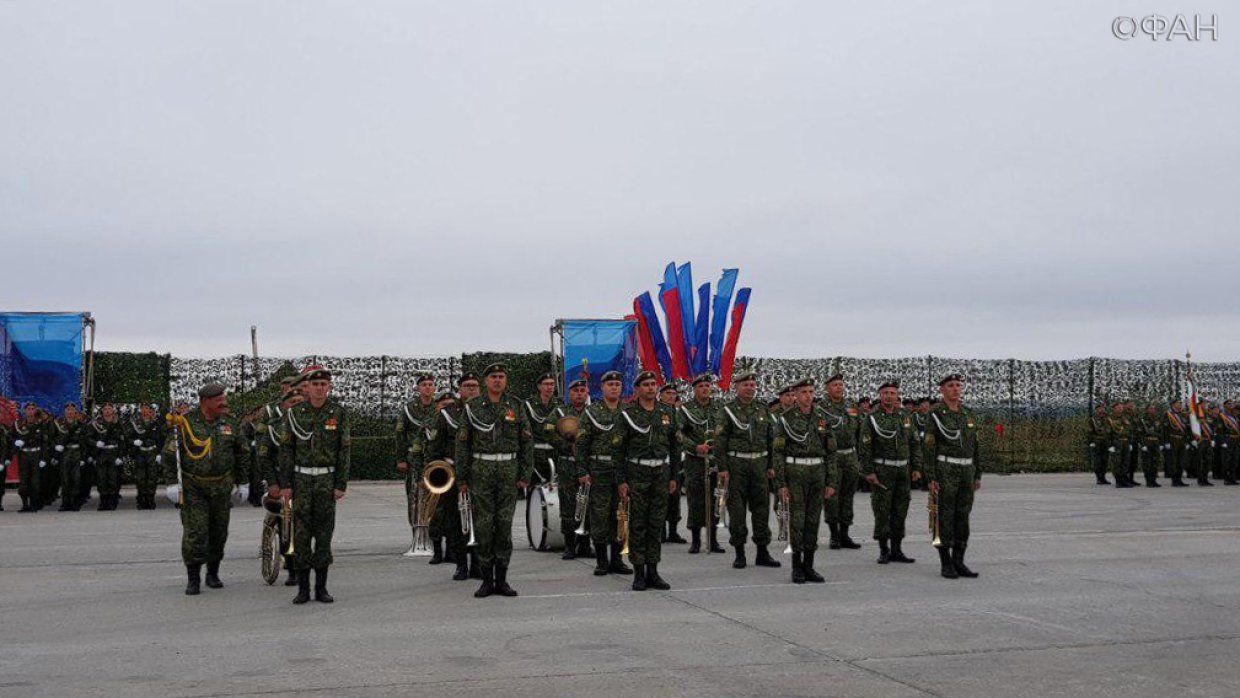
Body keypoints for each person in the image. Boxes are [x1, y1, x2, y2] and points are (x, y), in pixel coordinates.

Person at [164, 383, 251, 595]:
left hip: (221, 487)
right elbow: (170, 454)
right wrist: (172, 483)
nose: (224, 402)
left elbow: (243, 453)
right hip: (195, 487)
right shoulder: (186, 423)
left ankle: (213, 573)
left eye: (223, 397)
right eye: (219, 399)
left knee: (219, 532)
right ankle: (193, 577)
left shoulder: (229, 422)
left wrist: (244, 482)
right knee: (196, 532)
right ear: (205, 402)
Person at [455, 363, 533, 598]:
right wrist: (462, 478)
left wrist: (525, 474)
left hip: (509, 469)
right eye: (493, 377)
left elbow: (527, 441)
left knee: (504, 526)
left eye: (501, 376)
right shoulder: (473, 407)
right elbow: (462, 444)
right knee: (484, 526)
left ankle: (503, 579)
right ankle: (486, 580)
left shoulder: (516, 405)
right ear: (486, 381)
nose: (497, 380)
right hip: (481, 470)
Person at [277, 366, 351, 604]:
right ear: (308, 387)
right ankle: (303, 589)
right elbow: (286, 450)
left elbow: (344, 451)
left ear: (329, 387)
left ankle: (321, 588)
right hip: (301, 480)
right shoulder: (296, 413)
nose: (319, 388)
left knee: (324, 535)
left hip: (326, 481)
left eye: (323, 384)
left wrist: (341, 484)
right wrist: (286, 484)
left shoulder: (338, 413)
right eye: (315, 384)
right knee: (300, 535)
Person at [616, 371, 679, 591]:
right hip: (637, 473)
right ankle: (639, 573)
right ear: (637, 389)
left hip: (660, 473)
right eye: (646, 385)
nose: (651, 388)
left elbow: (674, 446)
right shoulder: (628, 414)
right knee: (638, 524)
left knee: (656, 524)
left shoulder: (667, 412)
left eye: (654, 384)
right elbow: (619, 450)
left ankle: (653, 570)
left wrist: (673, 476)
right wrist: (621, 480)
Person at [772, 378, 837, 584]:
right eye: (803, 392)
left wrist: (831, 481)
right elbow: (778, 453)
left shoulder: (822, 418)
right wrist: (781, 483)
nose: (808, 396)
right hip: (795, 472)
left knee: (813, 519)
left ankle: (809, 566)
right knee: (797, 520)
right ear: (796, 395)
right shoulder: (786, 419)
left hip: (817, 472)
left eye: (811, 391)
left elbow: (831, 451)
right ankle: (796, 566)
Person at [715, 371, 780, 570]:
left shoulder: (762, 409)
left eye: (752, 385)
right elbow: (720, 441)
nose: (750, 388)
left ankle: (762, 552)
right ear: (737, 387)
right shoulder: (727, 411)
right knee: (737, 510)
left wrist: (770, 465)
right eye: (746, 385)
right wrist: (723, 467)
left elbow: (771, 439)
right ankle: (740, 552)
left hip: (759, 464)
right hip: (736, 465)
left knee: (761, 509)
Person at [859, 381, 924, 565]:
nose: (889, 396)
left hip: (903, 470)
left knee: (900, 510)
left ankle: (897, 549)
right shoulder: (872, 418)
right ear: (880, 395)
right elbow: (864, 447)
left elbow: (914, 443)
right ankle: (883, 549)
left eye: (892, 393)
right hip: (882, 469)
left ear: (897, 395)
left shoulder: (904, 416)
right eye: (885, 393)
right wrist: (868, 471)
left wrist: (917, 467)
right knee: (882, 510)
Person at [575, 370, 631, 577]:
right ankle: (601, 561)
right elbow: (581, 444)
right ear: (602, 388)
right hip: (598, 469)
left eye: (617, 384)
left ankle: (617, 560)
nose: (614, 387)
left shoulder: (628, 411)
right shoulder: (592, 412)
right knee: (599, 514)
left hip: (621, 470)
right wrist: (582, 470)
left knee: (621, 514)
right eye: (610, 384)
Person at [422, 376, 478, 581]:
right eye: (467, 386)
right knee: (456, 522)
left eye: (474, 386)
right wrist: (435, 475)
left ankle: (478, 565)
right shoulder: (446, 415)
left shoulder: (485, 411)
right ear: (459, 390)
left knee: (480, 521)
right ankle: (461, 565)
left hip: (479, 473)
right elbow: (433, 449)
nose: (471, 390)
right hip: (453, 474)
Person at [926, 374, 981, 580]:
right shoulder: (935, 414)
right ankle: (945, 562)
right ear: (942, 390)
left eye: (958, 385)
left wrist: (978, 473)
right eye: (950, 386)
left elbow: (976, 447)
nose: (955, 389)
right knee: (943, 517)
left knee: (963, 517)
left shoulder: (968, 414)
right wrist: (931, 476)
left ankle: (959, 560)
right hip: (945, 470)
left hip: (967, 471)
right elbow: (929, 447)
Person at [258, 376, 304, 585]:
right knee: (287, 525)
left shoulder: (312, 424)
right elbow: (264, 457)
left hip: (305, 481)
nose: (296, 405)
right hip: (280, 482)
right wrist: (274, 483)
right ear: (284, 405)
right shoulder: (272, 427)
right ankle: (292, 568)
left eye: (300, 402)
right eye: (292, 402)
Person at [677, 374, 724, 554]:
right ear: (694, 389)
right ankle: (696, 540)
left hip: (715, 460)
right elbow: (678, 433)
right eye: (701, 386)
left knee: (715, 500)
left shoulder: (719, 408)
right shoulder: (686, 409)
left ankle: (713, 540)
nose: (705, 389)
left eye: (707, 385)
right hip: (695, 460)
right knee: (695, 499)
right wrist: (695, 447)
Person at [395, 373, 440, 560]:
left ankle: (433, 537)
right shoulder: (409, 409)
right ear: (418, 388)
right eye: (424, 385)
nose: (428, 387)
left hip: (434, 460)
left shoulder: (440, 407)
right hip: (414, 460)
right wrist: (400, 459)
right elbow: (400, 433)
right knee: (414, 498)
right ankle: (417, 535)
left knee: (434, 500)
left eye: (431, 384)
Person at [551, 378, 592, 559]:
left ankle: (585, 544)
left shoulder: (593, 413)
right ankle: (569, 545)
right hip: (567, 463)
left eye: (583, 390)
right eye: (576, 391)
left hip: (589, 464)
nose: (579, 394)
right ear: (570, 394)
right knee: (568, 505)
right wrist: (566, 446)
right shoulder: (559, 412)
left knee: (588, 505)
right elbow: (547, 431)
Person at [822, 373, 863, 550]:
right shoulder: (821, 408)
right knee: (832, 496)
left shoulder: (851, 406)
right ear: (827, 388)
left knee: (848, 495)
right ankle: (834, 534)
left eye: (841, 384)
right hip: (832, 457)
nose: (839, 387)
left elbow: (860, 430)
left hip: (851, 456)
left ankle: (845, 533)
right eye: (835, 385)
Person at [658, 382, 688, 544]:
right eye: (667, 393)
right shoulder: (657, 412)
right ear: (661, 395)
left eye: (673, 394)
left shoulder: (678, 413)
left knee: (674, 497)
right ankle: (660, 531)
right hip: (661, 461)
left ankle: (673, 531)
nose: (671, 396)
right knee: (661, 497)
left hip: (676, 460)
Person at [128, 403, 166, 509]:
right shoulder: (136, 423)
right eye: (143, 409)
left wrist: (159, 453)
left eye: (147, 409)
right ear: (140, 410)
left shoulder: (156, 423)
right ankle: (141, 500)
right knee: (140, 478)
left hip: (152, 452)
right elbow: (128, 437)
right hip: (140, 453)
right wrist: (134, 441)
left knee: (152, 477)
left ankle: (150, 499)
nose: (145, 411)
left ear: (150, 411)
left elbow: (161, 439)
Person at [13, 402, 48, 512]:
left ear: (36, 411)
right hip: (23, 455)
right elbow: (10, 436)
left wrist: (43, 458)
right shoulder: (18, 424)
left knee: (35, 482)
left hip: (36, 454)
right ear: (25, 411)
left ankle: (34, 504)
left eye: (33, 409)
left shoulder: (41, 424)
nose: (30, 411)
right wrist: (16, 442)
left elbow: (45, 442)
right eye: (28, 409)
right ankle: (25, 504)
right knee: (23, 481)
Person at [53, 403, 88, 511]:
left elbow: (84, 442)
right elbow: (52, 438)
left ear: (75, 412)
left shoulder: (80, 424)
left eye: (72, 410)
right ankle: (65, 503)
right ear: (64, 411)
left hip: (76, 453)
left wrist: (83, 457)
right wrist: (56, 446)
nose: (70, 412)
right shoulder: (58, 423)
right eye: (68, 410)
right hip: (64, 453)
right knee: (64, 479)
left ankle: (74, 502)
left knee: (76, 479)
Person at [92, 403, 125, 510]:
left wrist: (121, 456)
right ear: (102, 411)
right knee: (101, 479)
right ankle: (103, 501)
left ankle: (112, 501)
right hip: (101, 453)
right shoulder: (97, 423)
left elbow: (122, 441)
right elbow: (88, 438)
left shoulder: (118, 423)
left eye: (109, 409)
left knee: (112, 479)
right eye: (105, 409)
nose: (107, 411)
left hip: (113, 453)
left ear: (113, 410)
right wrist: (95, 444)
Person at [1135, 403, 1164, 487]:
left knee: (1155, 462)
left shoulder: (1157, 419)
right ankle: (1148, 481)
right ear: (1147, 410)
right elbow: (1139, 433)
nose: (1153, 410)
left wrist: (1161, 443)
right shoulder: (1142, 419)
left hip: (1156, 442)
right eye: (1151, 408)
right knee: (1147, 463)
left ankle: (1154, 480)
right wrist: (1142, 444)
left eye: (1154, 408)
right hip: (1147, 442)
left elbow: (1161, 432)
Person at [1163, 400, 1190, 487]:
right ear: (1173, 405)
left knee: (1181, 461)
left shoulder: (1182, 415)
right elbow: (1165, 429)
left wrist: (1187, 441)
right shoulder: (1168, 414)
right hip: (1172, 439)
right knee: (1173, 461)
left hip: (1181, 440)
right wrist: (1166, 442)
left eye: (1181, 404)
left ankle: (1179, 479)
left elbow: (1185, 429)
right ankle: (1174, 480)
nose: (1180, 405)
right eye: (1179, 403)